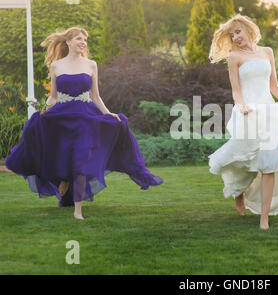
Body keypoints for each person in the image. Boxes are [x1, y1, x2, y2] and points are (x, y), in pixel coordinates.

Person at [5, 27, 163, 220]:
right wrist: (43, 112)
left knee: (80, 162)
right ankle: (63, 179)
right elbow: (53, 97)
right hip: (61, 118)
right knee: (60, 156)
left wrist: (107, 113)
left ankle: (78, 211)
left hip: (85, 118)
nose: (83, 43)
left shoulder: (91, 65)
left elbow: (95, 96)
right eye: (79, 39)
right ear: (69, 42)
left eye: (85, 40)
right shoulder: (57, 66)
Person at [208, 14, 278, 230]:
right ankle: (239, 193)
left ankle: (264, 218)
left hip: (268, 112)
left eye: (238, 32)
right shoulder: (234, 57)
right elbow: (236, 90)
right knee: (243, 160)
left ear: (249, 29)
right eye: (232, 35)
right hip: (247, 111)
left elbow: (273, 85)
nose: (236, 38)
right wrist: (241, 106)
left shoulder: (267, 52)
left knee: (268, 165)